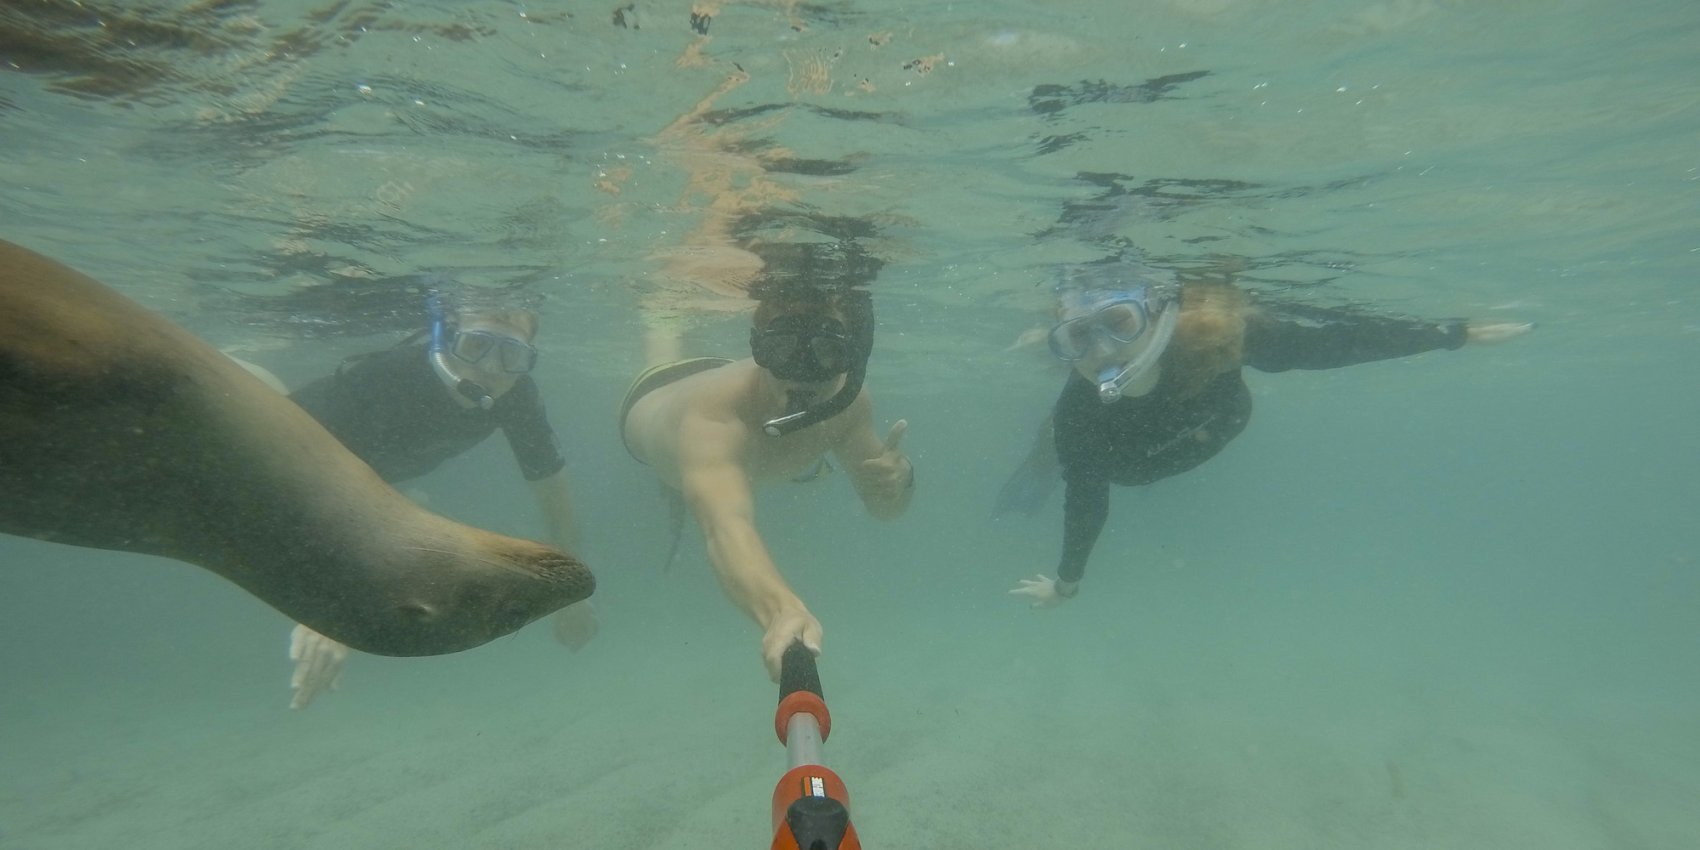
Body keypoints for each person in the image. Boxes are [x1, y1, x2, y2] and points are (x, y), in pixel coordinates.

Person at [1000, 259, 1534, 607]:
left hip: (1210, 431)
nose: (1100, 350)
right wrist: (1067, 584)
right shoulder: (1080, 413)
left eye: (1118, 324)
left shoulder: (1218, 339)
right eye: (1076, 336)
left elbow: (1336, 345)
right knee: (1069, 455)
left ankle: (1050, 449)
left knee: (1073, 451)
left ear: (1161, 312)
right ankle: (1044, 454)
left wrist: (1450, 335)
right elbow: (1087, 500)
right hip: (1127, 468)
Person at [271, 297, 594, 708]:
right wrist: (331, 605)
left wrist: (570, 596)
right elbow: (319, 487)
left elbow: (554, 496)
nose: (492, 369)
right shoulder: (391, 376)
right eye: (477, 346)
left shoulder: (518, 396)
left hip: (377, 479)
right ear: (448, 333)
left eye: (512, 354)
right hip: (290, 446)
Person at [620, 278, 914, 680]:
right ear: (759, 350)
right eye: (783, 348)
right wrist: (780, 609)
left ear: (852, 354)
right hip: (661, 387)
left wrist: (900, 480)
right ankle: (664, 309)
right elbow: (724, 526)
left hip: (732, 385)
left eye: (827, 350)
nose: (803, 372)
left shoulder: (849, 405)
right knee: (665, 333)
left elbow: (885, 509)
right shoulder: (715, 415)